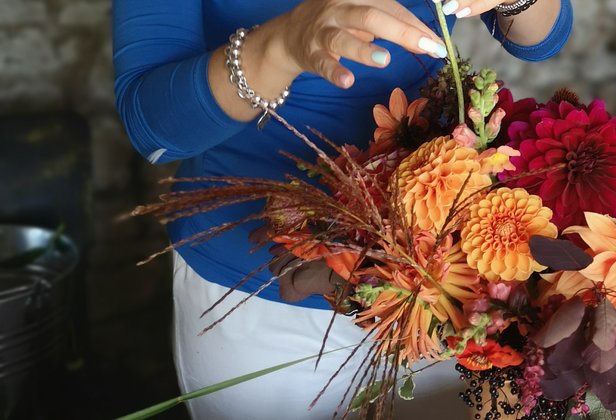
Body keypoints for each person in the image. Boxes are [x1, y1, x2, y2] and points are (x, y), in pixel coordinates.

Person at [111, 0, 573, 418]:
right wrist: (279, 46)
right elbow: (154, 128)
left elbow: (543, 36)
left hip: (437, 270)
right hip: (263, 292)